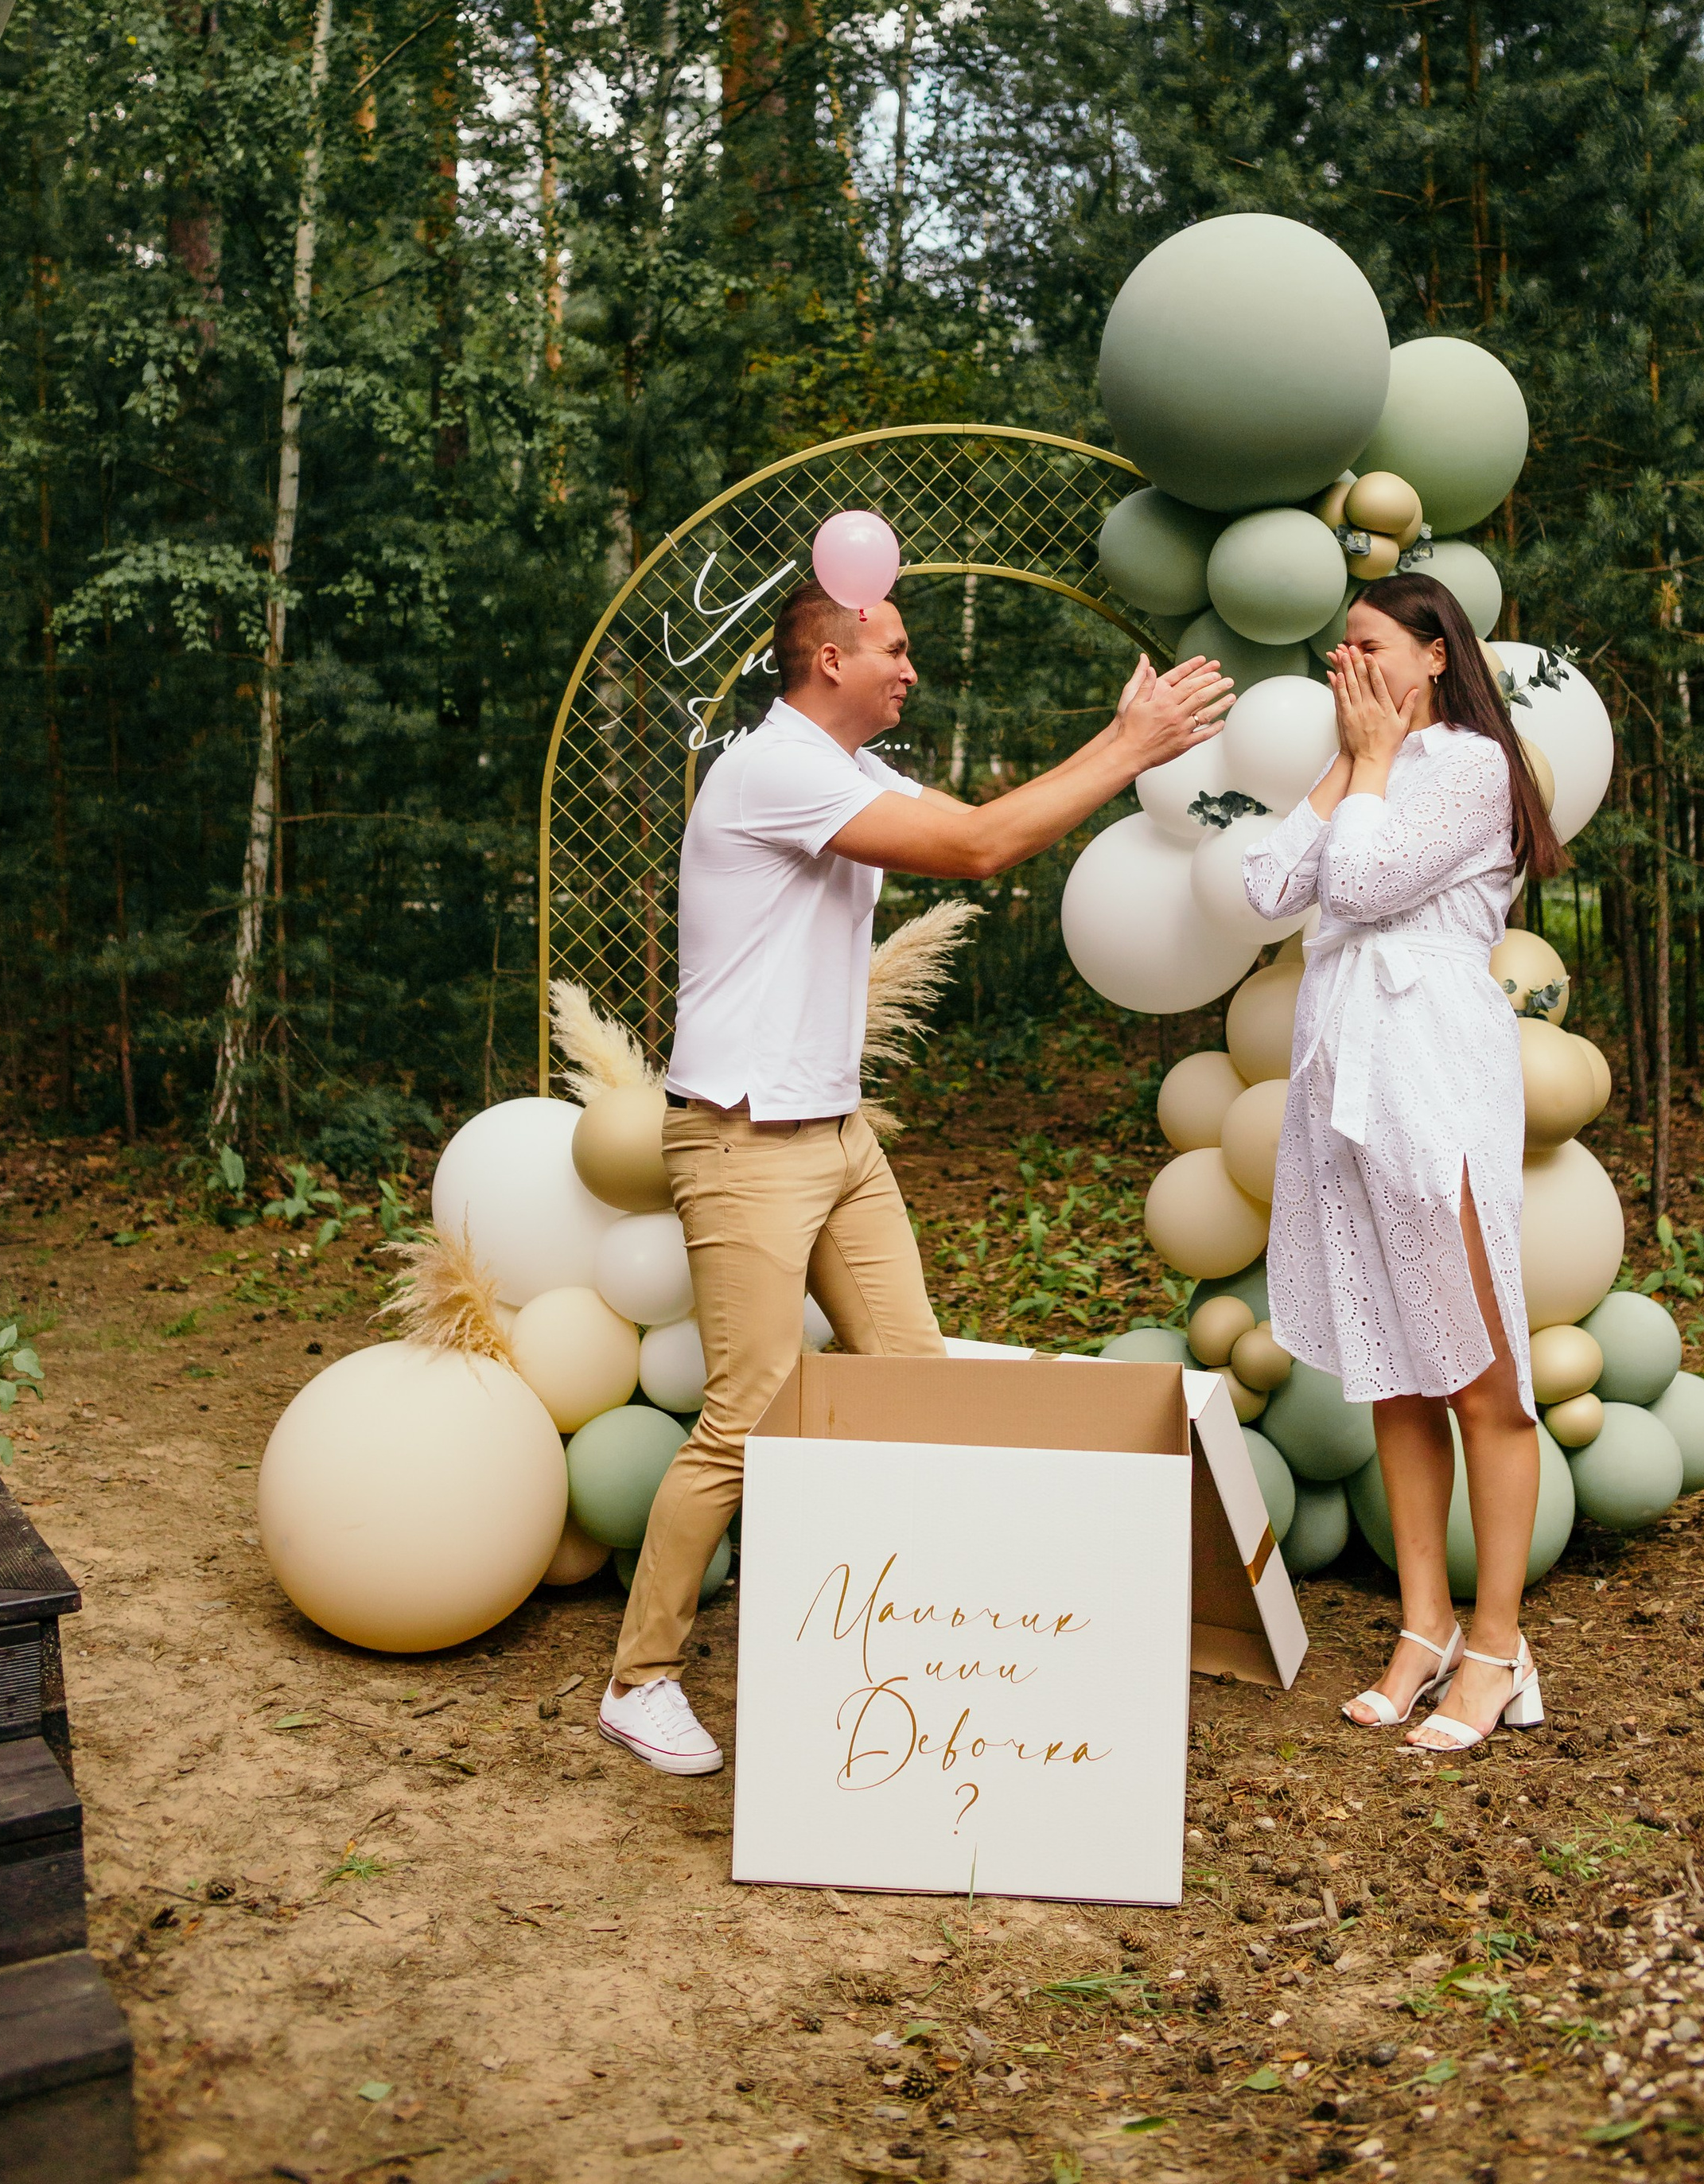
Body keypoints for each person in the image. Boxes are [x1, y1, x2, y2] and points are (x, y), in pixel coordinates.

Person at [598, 577, 1233, 1777]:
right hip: (742, 1143)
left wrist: (1120, 735)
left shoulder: (847, 776)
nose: (910, 669)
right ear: (827, 657)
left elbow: (989, 823)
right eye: (893, 649)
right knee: (743, 1416)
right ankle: (642, 1679)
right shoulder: (771, 769)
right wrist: (1133, 746)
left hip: (834, 1138)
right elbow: (983, 848)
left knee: (909, 1374)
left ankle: (897, 1626)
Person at [1242, 570, 1566, 1755]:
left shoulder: (1474, 767)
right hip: (1343, 1086)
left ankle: (1494, 1643)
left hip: (1432, 1076)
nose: (1348, 669)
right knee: (1393, 1366)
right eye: (1338, 651)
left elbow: (1368, 883)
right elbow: (1263, 886)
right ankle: (1421, 1627)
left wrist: (1370, 769)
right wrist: (1342, 765)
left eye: (1370, 647)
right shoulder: (1365, 768)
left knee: (1479, 1368)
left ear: (1434, 655)